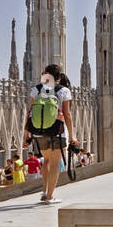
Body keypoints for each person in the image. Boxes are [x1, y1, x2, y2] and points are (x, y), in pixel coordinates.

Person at [25, 62, 75, 204]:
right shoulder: (63, 90)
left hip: (39, 132)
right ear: (59, 77)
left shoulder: (35, 90)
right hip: (56, 132)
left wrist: (26, 135)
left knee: (46, 161)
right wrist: (72, 136)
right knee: (54, 163)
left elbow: (29, 113)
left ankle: (44, 191)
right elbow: (67, 114)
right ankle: (50, 197)